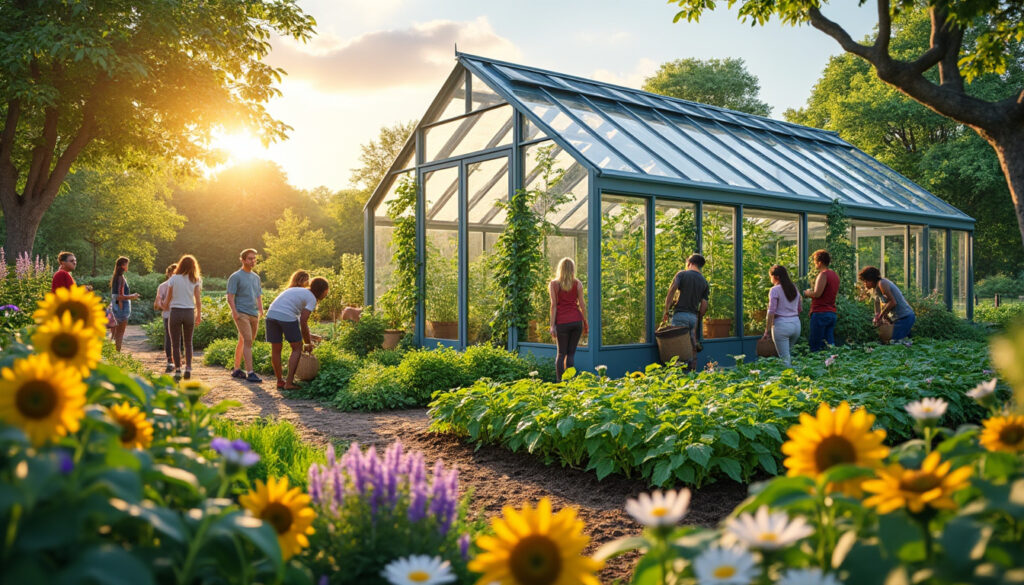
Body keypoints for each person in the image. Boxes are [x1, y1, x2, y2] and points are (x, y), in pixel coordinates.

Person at [265, 272, 329, 390]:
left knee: (276, 349)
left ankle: (280, 381)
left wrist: (309, 336)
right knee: (297, 348)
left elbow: (299, 323)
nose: (327, 293)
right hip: (286, 316)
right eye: (327, 291)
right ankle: (289, 383)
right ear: (322, 290)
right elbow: (303, 321)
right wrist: (308, 343)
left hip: (271, 315)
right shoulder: (312, 298)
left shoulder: (298, 291)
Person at [660, 253, 709, 371]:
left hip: (680, 315)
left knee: (676, 345)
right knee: (692, 343)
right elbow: (704, 305)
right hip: (693, 317)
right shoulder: (704, 281)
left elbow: (672, 291)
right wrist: (698, 318)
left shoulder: (682, 274)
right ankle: (692, 371)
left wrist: (666, 310)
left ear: (689, 263)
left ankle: (678, 374)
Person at [227, 249, 264, 383]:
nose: (253, 261)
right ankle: (251, 373)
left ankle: (236, 369)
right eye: (250, 258)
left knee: (244, 341)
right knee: (248, 340)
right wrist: (235, 312)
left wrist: (261, 309)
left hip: (254, 314)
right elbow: (230, 296)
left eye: (254, 258)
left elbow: (258, 295)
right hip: (241, 313)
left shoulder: (256, 277)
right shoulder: (235, 276)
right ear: (242, 260)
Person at [548, 258, 588, 382]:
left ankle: (560, 384)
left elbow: (553, 305)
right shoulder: (578, 284)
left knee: (561, 354)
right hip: (576, 322)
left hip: (562, 323)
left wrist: (552, 326)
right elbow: (582, 306)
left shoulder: (554, 284)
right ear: (572, 269)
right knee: (571, 354)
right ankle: (570, 382)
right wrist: (585, 323)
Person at [163, 255, 203, 379]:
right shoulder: (195, 279)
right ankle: (189, 368)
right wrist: (199, 315)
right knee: (188, 342)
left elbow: (168, 300)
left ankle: (178, 370)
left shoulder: (174, 278)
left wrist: (162, 305)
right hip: (189, 312)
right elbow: (197, 299)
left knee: (175, 344)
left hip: (175, 312)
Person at [859, 266, 916, 342]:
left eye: (866, 281)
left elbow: (893, 302)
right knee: (904, 343)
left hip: (904, 317)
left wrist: (881, 316)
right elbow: (877, 303)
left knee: (894, 342)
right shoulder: (876, 288)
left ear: (871, 280)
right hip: (898, 318)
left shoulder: (882, 283)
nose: (864, 284)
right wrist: (878, 316)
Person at [762, 265, 802, 366]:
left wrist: (767, 331)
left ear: (777, 277)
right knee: (787, 354)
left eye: (771, 276)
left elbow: (771, 311)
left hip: (782, 326)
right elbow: (799, 308)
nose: (770, 279)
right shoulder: (794, 288)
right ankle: (796, 376)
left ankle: (789, 379)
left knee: (784, 358)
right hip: (796, 325)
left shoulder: (775, 290)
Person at [803, 249, 839, 352]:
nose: (814, 264)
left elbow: (817, 293)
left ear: (820, 262)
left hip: (820, 313)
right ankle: (832, 365)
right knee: (829, 345)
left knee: (815, 346)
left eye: (815, 261)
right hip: (831, 313)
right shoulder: (834, 275)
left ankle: (815, 366)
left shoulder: (823, 274)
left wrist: (806, 293)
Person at [154, 263, 182, 373]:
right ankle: (170, 360)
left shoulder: (180, 285)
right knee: (170, 338)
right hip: (168, 315)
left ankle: (177, 360)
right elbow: (158, 300)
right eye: (174, 273)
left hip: (178, 315)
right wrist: (164, 306)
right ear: (169, 273)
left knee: (178, 338)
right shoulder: (163, 286)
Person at [109, 256, 141, 351]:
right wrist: (133, 296)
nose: (128, 266)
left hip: (115, 306)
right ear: (123, 265)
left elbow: (116, 295)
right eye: (127, 264)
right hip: (121, 308)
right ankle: (116, 357)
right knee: (119, 335)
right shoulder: (120, 278)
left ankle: (111, 356)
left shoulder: (116, 277)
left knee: (114, 335)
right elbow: (120, 296)